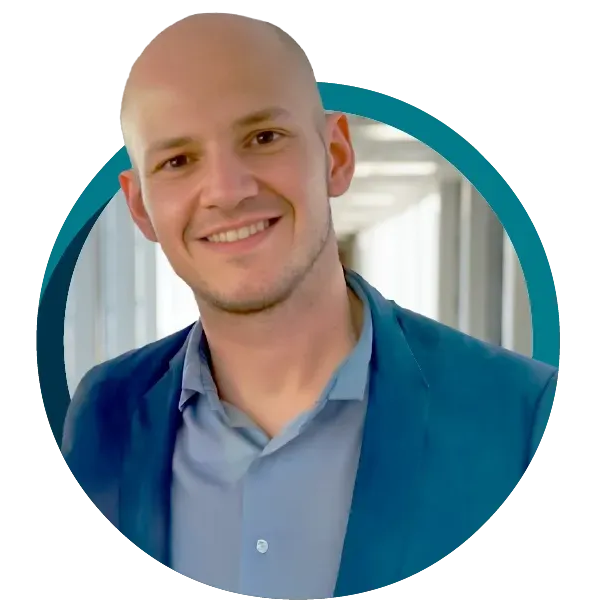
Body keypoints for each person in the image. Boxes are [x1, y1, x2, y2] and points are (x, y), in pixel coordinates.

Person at [62, 12, 558, 600]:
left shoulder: (521, 415)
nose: (227, 191)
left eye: (263, 137)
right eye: (178, 161)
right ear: (141, 207)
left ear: (336, 154)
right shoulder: (102, 414)